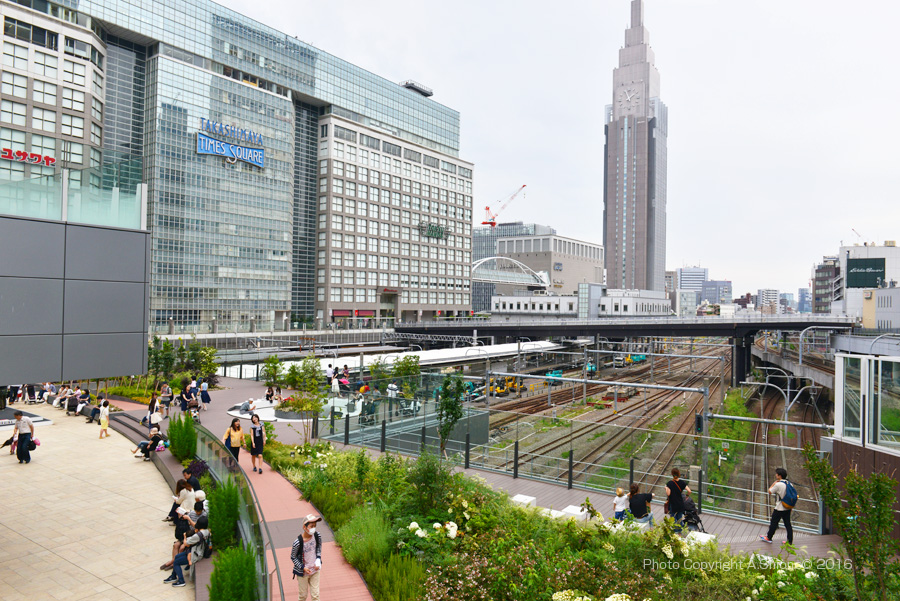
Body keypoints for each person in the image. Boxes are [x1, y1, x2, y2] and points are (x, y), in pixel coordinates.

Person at [164, 516, 209, 587]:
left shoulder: (198, 535)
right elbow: (194, 526)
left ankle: (181, 581)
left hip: (195, 555)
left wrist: (185, 536)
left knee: (176, 562)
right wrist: (189, 519)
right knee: (177, 557)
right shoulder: (207, 531)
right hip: (197, 551)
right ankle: (173, 576)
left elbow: (186, 543)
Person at [291, 514, 323, 601]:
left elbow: (319, 548)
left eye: (315, 526)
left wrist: (318, 559)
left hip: (315, 570)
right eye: (311, 526)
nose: (314, 528)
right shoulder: (297, 542)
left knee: (315, 596)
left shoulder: (317, 536)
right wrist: (303, 567)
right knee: (303, 596)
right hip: (303, 573)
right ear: (304, 527)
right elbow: (293, 557)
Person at [760, 467, 794, 545]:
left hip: (779, 508)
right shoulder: (789, 484)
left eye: (776, 474)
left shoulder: (778, 484)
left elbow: (770, 491)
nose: (776, 475)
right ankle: (790, 541)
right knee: (788, 524)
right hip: (787, 508)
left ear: (779, 476)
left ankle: (769, 537)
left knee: (774, 523)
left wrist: (774, 483)